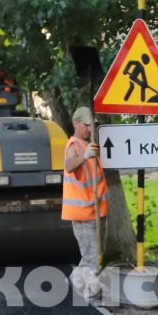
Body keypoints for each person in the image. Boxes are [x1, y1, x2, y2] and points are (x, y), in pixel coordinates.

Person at [62, 106, 108, 303]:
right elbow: (69, 165)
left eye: (93, 125)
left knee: (95, 254)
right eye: (87, 125)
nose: (90, 129)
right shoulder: (74, 145)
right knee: (92, 258)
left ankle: (75, 283)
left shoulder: (91, 145)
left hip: (96, 211)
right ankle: (89, 295)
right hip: (82, 213)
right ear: (76, 123)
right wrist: (86, 156)